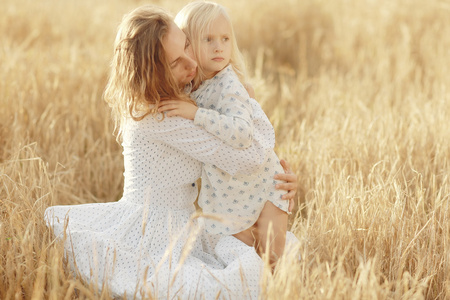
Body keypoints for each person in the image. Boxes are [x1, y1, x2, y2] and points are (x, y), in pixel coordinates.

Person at [44, 4, 298, 299]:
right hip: (153, 230)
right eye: (177, 60)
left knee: (258, 264)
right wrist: (251, 105)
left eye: (187, 46)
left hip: (184, 221)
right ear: (154, 71)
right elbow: (244, 159)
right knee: (229, 283)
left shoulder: (182, 98)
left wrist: (276, 181)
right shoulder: (158, 116)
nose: (192, 63)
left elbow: (240, 154)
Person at [158, 1, 291, 267]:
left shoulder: (229, 85)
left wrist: (196, 114)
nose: (219, 46)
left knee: (273, 261)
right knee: (250, 264)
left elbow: (241, 133)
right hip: (231, 195)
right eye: (208, 39)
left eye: (225, 38)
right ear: (188, 46)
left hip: (265, 188)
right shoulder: (195, 87)